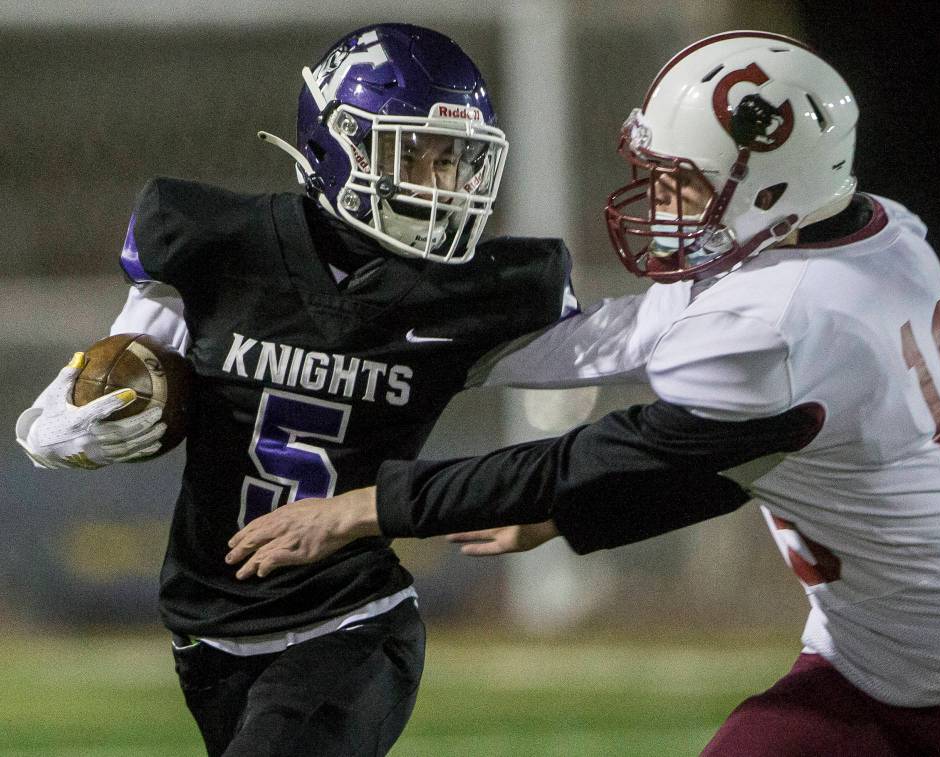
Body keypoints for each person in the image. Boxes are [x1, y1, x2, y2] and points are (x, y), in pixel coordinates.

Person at [225, 31, 940, 756]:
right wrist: (435, 347)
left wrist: (364, 507)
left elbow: (595, 453)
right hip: (873, 659)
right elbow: (698, 433)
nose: (662, 201)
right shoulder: (878, 236)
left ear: (776, 189)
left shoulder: (784, 321)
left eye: (682, 181)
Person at [15, 23, 575, 757]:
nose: (438, 184)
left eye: (451, 161)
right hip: (208, 624)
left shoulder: (468, 293)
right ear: (334, 143)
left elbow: (643, 355)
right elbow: (103, 374)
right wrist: (55, 429)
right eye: (412, 154)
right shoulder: (217, 246)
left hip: (354, 621)